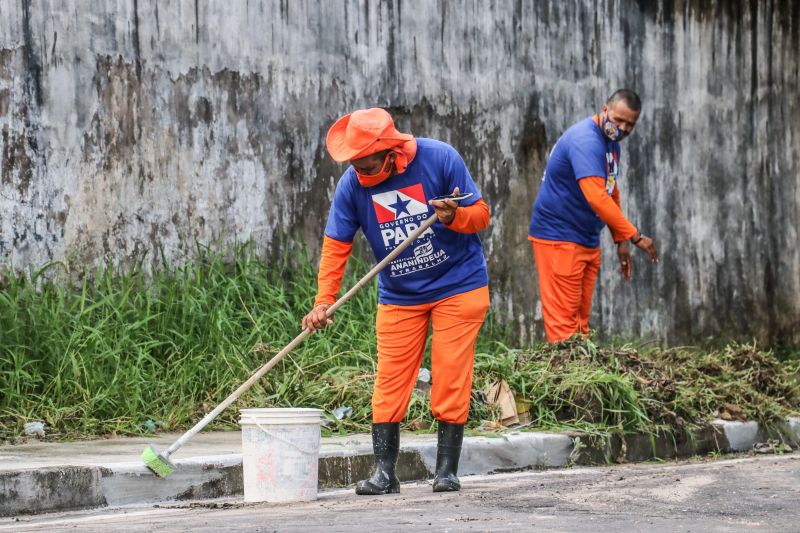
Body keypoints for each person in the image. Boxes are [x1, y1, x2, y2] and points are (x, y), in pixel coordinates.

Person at [302, 108, 491, 494]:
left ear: (391, 153)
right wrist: (324, 300)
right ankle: (385, 474)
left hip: (459, 285)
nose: (359, 171)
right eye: (354, 163)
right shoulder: (352, 185)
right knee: (390, 380)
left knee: (450, 374)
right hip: (400, 294)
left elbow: (481, 215)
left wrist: (454, 216)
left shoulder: (439, 158)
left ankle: (446, 472)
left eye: (367, 164)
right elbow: (336, 244)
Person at [527, 89, 658, 342]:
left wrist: (620, 239)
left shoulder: (610, 143)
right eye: (619, 119)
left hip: (586, 239)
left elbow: (611, 189)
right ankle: (565, 379)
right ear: (604, 109)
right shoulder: (585, 140)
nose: (622, 128)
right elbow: (596, 197)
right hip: (559, 238)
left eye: (630, 124)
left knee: (580, 326)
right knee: (564, 329)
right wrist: (635, 235)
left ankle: (580, 377)